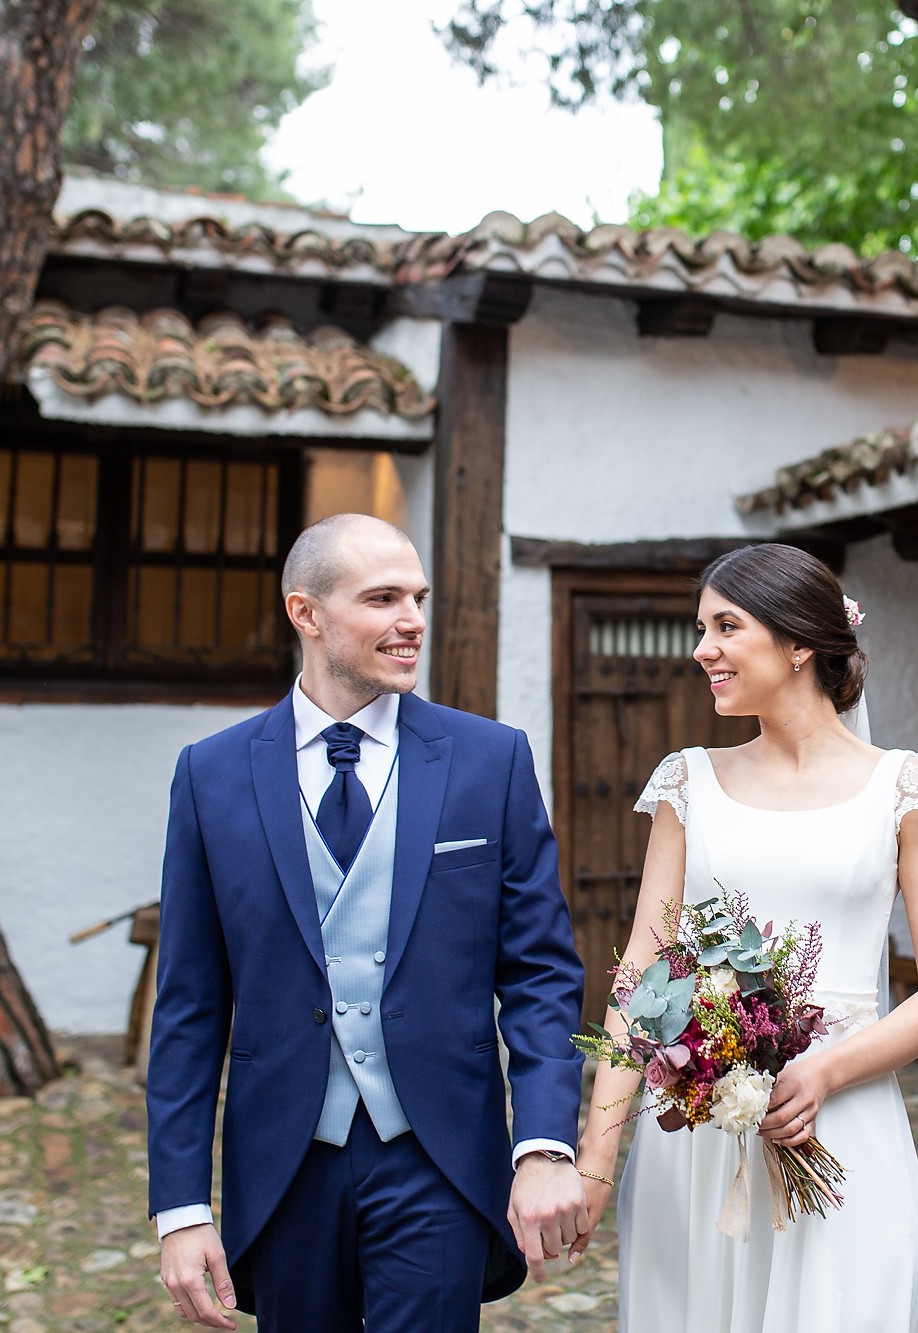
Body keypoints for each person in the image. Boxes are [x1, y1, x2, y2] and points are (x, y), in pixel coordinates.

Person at [147, 514, 588, 1331]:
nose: (412, 620)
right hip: (284, 1164)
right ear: (306, 612)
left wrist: (543, 1143)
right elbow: (188, 1007)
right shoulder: (211, 775)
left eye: (418, 597)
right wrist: (180, 1206)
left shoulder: (490, 760)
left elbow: (540, 974)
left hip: (439, 1157)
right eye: (383, 599)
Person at [572, 542, 918, 1333]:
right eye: (701, 628)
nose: (703, 649)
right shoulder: (687, 783)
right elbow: (641, 975)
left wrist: (824, 1070)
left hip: (844, 1116)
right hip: (696, 1135)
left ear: (798, 643)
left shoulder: (905, 788)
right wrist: (597, 1155)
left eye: (726, 626)